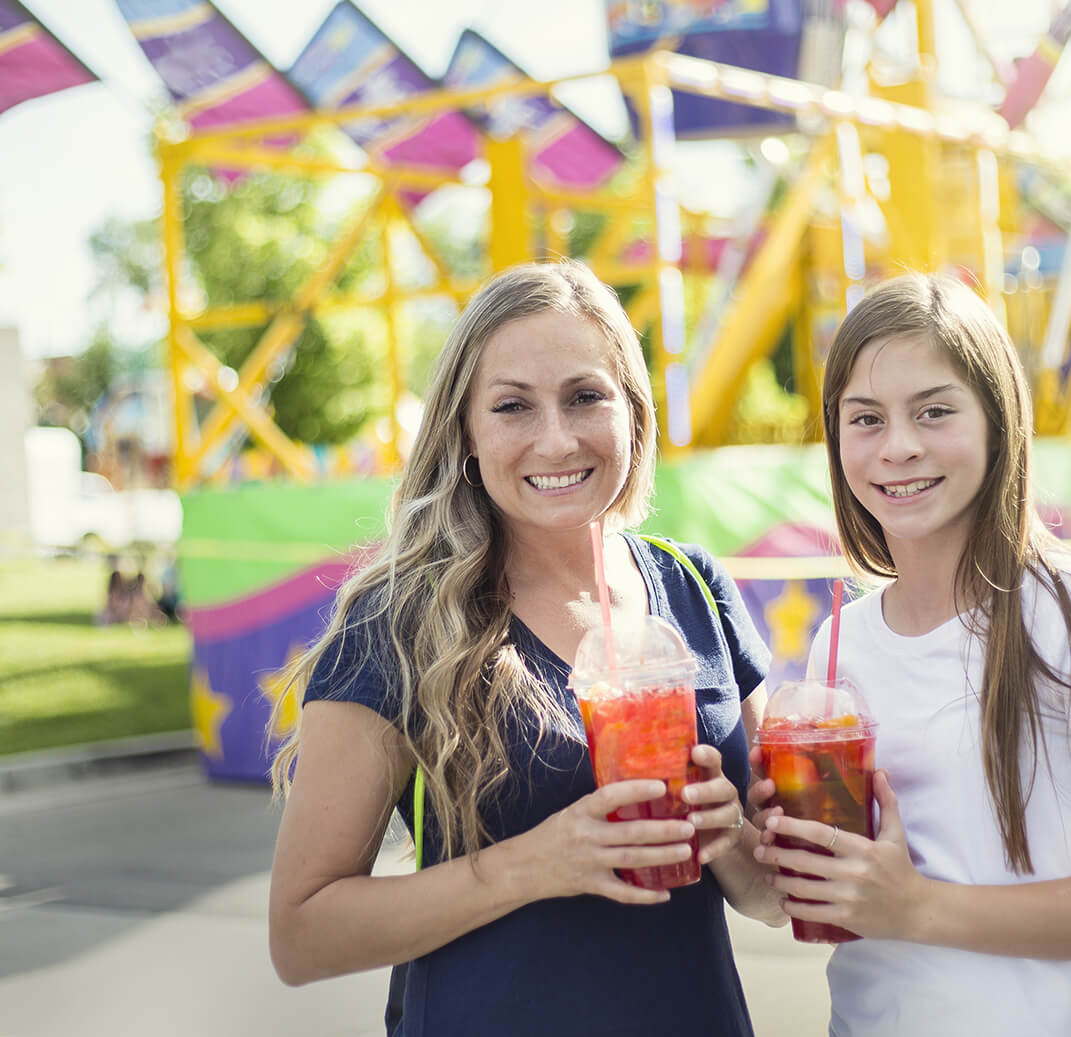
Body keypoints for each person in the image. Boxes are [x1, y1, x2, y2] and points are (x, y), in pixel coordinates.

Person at [267, 260, 783, 1036]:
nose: (556, 438)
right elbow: (301, 935)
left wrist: (732, 838)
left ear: (632, 414)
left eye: (585, 397)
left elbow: (770, 896)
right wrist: (532, 865)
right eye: (512, 406)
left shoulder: (695, 587)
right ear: (466, 434)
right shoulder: (399, 620)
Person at [749, 273, 1071, 1036]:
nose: (899, 446)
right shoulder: (842, 642)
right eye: (865, 418)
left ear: (998, 422)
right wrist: (790, 847)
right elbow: (862, 881)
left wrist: (918, 906)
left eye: (934, 411)